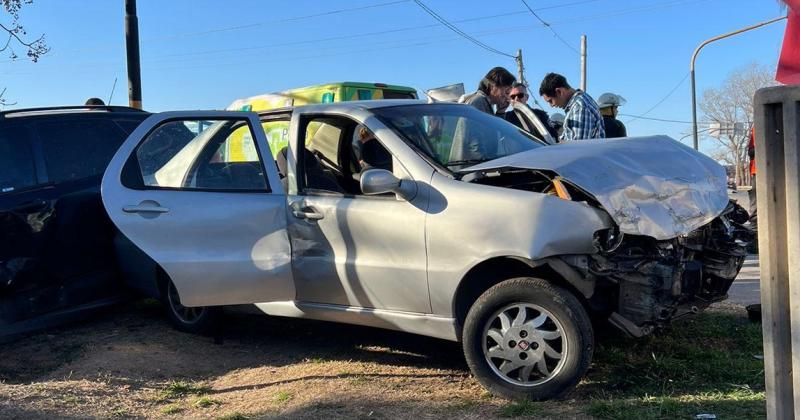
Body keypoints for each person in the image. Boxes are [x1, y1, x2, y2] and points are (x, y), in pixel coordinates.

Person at [538, 73, 605, 141]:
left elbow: (577, 148)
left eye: (550, 101)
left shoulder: (580, 107)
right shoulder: (579, 104)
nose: (551, 105)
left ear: (559, 91)